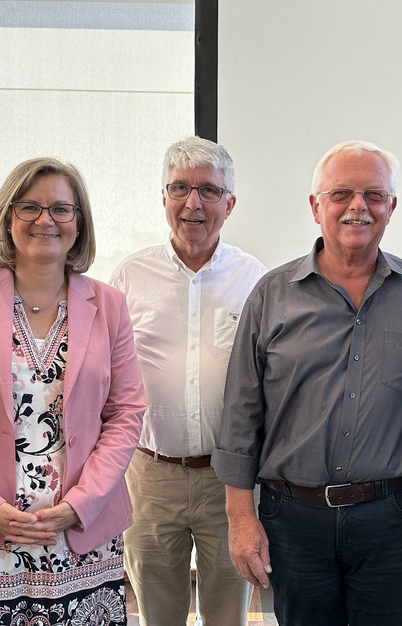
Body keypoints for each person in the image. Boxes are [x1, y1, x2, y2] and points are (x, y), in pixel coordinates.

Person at [212, 140, 402, 625]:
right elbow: (240, 414)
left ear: (391, 207)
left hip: (396, 519)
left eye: (373, 195)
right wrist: (241, 519)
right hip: (294, 521)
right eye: (341, 193)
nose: (358, 207)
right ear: (316, 206)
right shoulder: (272, 295)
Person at [0, 157, 146, 626]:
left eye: (61, 209)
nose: (46, 220)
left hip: (79, 538)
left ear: (79, 224)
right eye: (29, 207)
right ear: (7, 217)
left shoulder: (109, 304)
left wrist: (79, 505)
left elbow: (125, 413)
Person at [111, 137, 264, 625]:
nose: (192, 203)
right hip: (149, 477)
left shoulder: (255, 280)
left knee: (227, 616)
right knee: (158, 614)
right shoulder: (130, 276)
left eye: (208, 191)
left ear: (230, 203)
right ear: (163, 197)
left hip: (231, 485)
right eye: (180, 188)